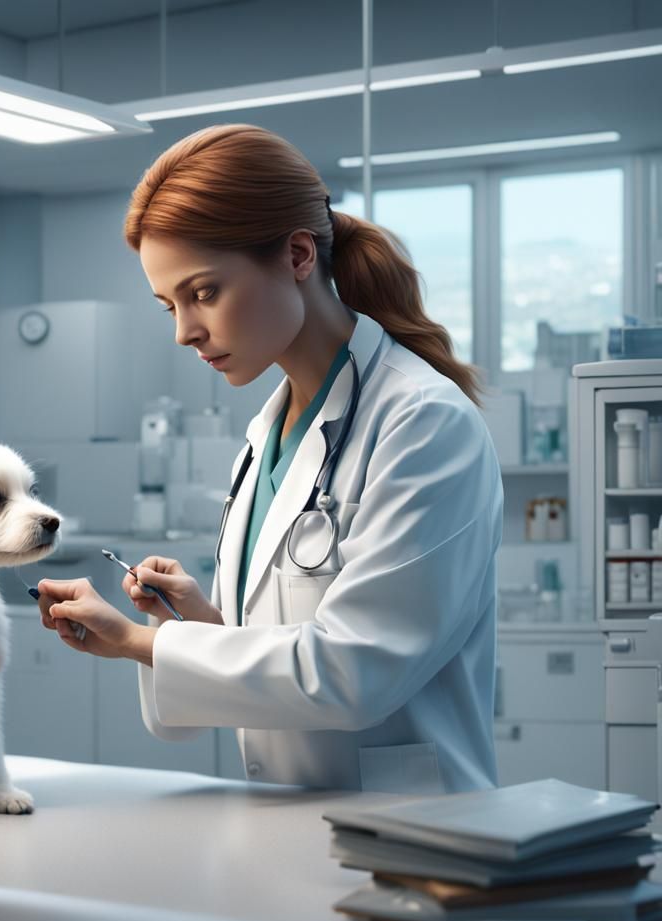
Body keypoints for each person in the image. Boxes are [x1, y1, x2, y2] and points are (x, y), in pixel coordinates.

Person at [36, 124, 502, 794]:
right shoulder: (264, 441)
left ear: (299, 255)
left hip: (416, 838)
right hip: (283, 826)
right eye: (170, 304)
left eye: (204, 292)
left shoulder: (424, 423)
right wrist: (186, 621)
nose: (184, 331)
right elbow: (235, 692)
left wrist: (137, 643)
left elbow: (351, 674)